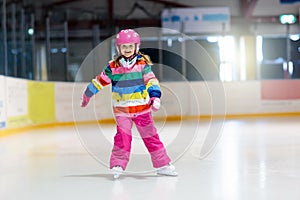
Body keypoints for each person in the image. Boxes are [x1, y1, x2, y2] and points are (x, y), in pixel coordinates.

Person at [81, 29, 177, 179]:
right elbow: (100, 80)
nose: (127, 50)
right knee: (123, 137)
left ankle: (162, 165)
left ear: (136, 47)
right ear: (118, 48)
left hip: (142, 109)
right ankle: (118, 164)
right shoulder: (113, 67)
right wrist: (88, 93)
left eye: (130, 46)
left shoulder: (142, 65)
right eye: (124, 47)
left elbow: (151, 81)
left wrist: (155, 97)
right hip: (122, 110)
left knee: (151, 137)